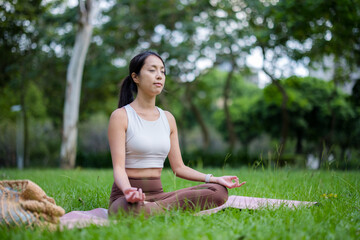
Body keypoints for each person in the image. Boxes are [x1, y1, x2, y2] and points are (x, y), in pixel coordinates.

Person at [108, 51, 246, 215]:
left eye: (162, 71)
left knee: (218, 191)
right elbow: (118, 168)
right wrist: (128, 191)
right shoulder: (121, 116)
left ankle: (154, 210)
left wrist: (214, 178)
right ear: (135, 77)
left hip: (159, 196)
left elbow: (179, 167)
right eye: (152, 70)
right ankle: (156, 210)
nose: (159, 76)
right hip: (127, 197)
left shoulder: (168, 118)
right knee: (125, 209)